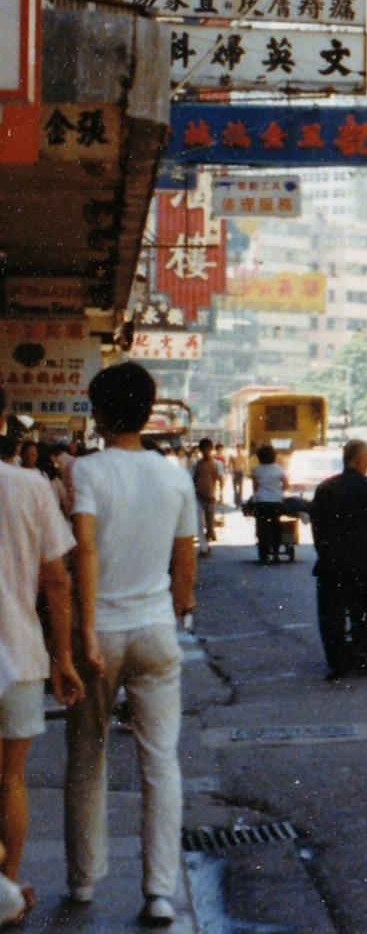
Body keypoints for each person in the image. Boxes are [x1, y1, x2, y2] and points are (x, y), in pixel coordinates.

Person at [65, 362, 197, 929]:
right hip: (156, 629)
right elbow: (186, 558)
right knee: (160, 761)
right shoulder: (175, 476)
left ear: (98, 414)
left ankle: (83, 880)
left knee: (87, 755)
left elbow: (85, 552)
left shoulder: (87, 473)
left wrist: (87, 631)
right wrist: (177, 609)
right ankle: (160, 892)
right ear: (149, 410)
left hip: (102, 630)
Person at [0, 385, 83, 925]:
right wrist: (64, 657)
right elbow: (57, 581)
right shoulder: (29, 485)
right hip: (20, 656)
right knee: (10, 779)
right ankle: (5, 894)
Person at [307, 440, 367, 682]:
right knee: (363, 610)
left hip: (331, 563)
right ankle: (360, 652)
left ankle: (337, 661)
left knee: (331, 616)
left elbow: (316, 525)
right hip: (361, 562)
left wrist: (324, 552)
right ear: (359, 461)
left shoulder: (326, 487)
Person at [247, 445, 286, 564]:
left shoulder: (256, 469)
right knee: (276, 525)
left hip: (260, 501)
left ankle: (263, 554)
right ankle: (275, 553)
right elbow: (286, 484)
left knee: (261, 525)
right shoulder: (279, 469)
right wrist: (279, 492)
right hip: (276, 501)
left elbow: (255, 486)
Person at [191, 439, 222, 557]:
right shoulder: (196, 464)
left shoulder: (217, 464)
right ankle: (204, 547)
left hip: (211, 496)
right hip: (198, 496)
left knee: (210, 523)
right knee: (199, 523)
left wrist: (220, 493)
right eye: (203, 449)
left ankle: (208, 539)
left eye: (207, 448)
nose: (205, 451)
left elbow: (221, 479)